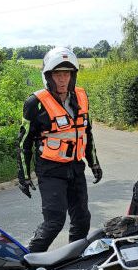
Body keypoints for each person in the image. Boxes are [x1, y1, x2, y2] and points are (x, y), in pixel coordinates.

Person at [17, 46, 103, 253]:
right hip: (50, 169)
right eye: (58, 74)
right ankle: (29, 263)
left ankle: (73, 261)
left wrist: (94, 163)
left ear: (73, 76)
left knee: (82, 219)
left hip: (75, 167)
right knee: (54, 221)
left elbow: (86, 133)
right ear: (48, 76)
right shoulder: (35, 103)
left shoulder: (82, 97)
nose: (63, 79)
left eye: (67, 74)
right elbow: (24, 142)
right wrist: (24, 175)